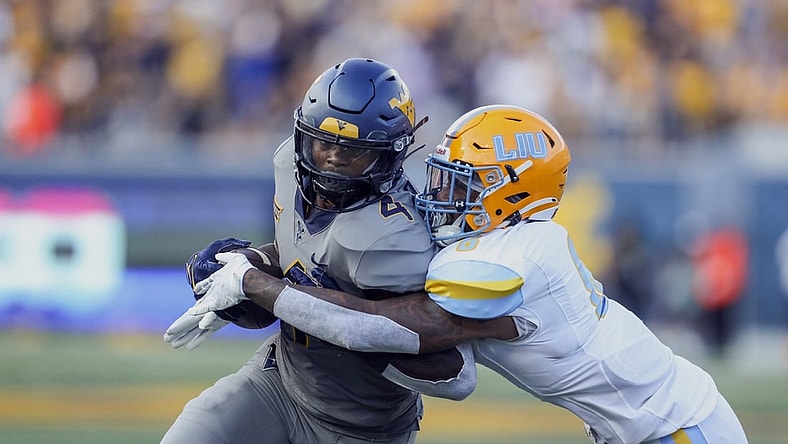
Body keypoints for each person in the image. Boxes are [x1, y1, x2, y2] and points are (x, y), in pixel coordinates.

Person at [190, 104, 749, 444]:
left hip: (673, 428)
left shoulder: (516, 256)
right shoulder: (500, 241)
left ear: (513, 191)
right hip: (637, 425)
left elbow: (403, 328)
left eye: (461, 182)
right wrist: (261, 258)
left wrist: (263, 287)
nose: (438, 195)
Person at [161, 58, 477, 444]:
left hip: (363, 425)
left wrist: (331, 317)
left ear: (389, 155)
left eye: (354, 151)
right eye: (324, 141)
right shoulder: (287, 165)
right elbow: (295, 253)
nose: (332, 157)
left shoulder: (396, 236)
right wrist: (246, 266)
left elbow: (450, 370)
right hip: (281, 383)